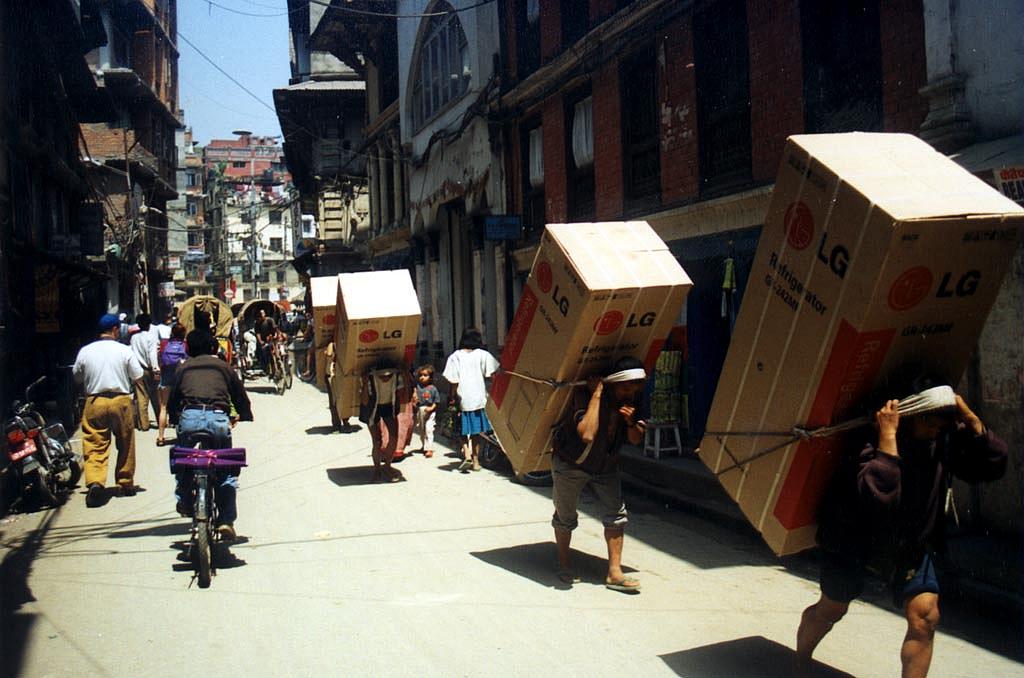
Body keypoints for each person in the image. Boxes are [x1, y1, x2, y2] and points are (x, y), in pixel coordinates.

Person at [796, 378, 1007, 677]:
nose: (936, 432)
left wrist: (972, 421)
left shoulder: (941, 437)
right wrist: (887, 438)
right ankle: (800, 663)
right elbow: (879, 496)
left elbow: (992, 466)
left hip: (909, 544)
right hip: (853, 542)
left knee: (925, 618)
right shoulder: (870, 438)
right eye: (929, 424)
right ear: (908, 416)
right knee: (832, 608)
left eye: (940, 426)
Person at [550, 356, 647, 593]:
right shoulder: (584, 395)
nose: (629, 394)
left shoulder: (634, 402)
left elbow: (636, 439)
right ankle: (564, 564)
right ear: (613, 385)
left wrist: (630, 422)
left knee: (616, 515)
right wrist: (596, 395)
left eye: (633, 389)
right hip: (571, 463)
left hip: (605, 465)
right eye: (624, 388)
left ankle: (614, 572)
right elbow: (587, 434)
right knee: (565, 515)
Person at [167, 329, 253, 540]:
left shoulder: (183, 367)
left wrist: (174, 418)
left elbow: (173, 399)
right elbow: (239, 395)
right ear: (213, 347)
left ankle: (185, 499)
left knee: (185, 461)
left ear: (188, 348)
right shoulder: (223, 367)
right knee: (226, 471)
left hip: (189, 418)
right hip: (218, 419)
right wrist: (244, 414)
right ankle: (226, 520)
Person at [72, 313, 145, 507]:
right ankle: (125, 482)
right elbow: (137, 376)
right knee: (125, 441)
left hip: (94, 401)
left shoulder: (85, 351)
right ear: (115, 330)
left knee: (95, 443)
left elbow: (77, 377)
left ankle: (96, 482)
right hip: (120, 400)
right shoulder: (124, 350)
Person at [442, 327, 499, 472]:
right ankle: (475, 461)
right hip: (478, 397)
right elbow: (494, 374)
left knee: (460, 428)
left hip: (462, 397)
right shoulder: (483, 355)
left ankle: (466, 453)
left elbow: (453, 380)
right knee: (476, 431)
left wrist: (452, 397)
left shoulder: (455, 356)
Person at [360, 360, 406, 482]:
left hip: (389, 406)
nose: (386, 378)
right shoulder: (370, 378)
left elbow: (403, 394)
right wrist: (364, 383)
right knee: (377, 440)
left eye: (389, 375)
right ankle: (377, 469)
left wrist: (405, 374)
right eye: (383, 375)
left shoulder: (397, 376)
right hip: (372, 407)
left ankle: (387, 465)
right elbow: (365, 401)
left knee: (394, 437)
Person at [156, 323, 187, 446]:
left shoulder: (164, 344)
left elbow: (159, 359)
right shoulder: (185, 345)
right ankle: (183, 436)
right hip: (181, 379)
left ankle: (161, 437)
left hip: (166, 378)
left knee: (163, 407)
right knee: (183, 407)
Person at [129, 313, 161, 431]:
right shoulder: (150, 337)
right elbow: (152, 354)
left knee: (141, 396)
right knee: (155, 396)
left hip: (137, 369)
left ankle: (144, 424)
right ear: (149, 324)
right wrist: (156, 369)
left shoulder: (133, 338)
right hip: (148, 369)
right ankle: (160, 421)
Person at [325, 340, 359, 433]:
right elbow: (329, 355)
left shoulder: (346, 345)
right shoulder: (332, 344)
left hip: (342, 375)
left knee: (345, 399)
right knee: (334, 401)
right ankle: (337, 424)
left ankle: (344, 421)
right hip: (332, 376)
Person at [412, 364, 440, 458]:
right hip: (420, 410)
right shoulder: (418, 387)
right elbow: (414, 393)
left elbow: (436, 401)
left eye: (425, 375)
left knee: (429, 429)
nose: (422, 377)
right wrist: (414, 397)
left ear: (430, 377)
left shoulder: (433, 389)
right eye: (420, 375)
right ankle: (424, 445)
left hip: (430, 411)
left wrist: (432, 408)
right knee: (422, 430)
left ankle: (429, 448)